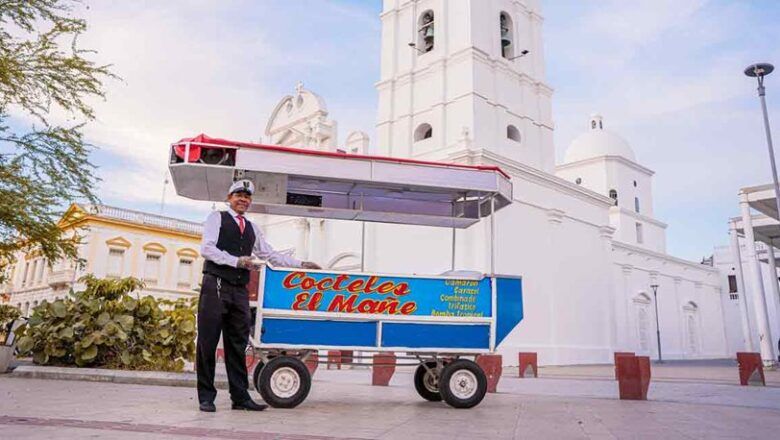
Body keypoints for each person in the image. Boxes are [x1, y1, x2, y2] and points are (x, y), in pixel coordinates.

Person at [197, 179, 320, 412]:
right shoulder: (217, 218)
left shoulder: (252, 227)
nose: (243, 199)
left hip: (239, 290)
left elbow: (270, 255)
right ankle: (206, 397)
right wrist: (236, 261)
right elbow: (207, 248)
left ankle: (240, 397)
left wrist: (301, 264)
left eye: (247, 196)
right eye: (238, 195)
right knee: (208, 342)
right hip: (216, 285)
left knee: (238, 344)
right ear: (229, 198)